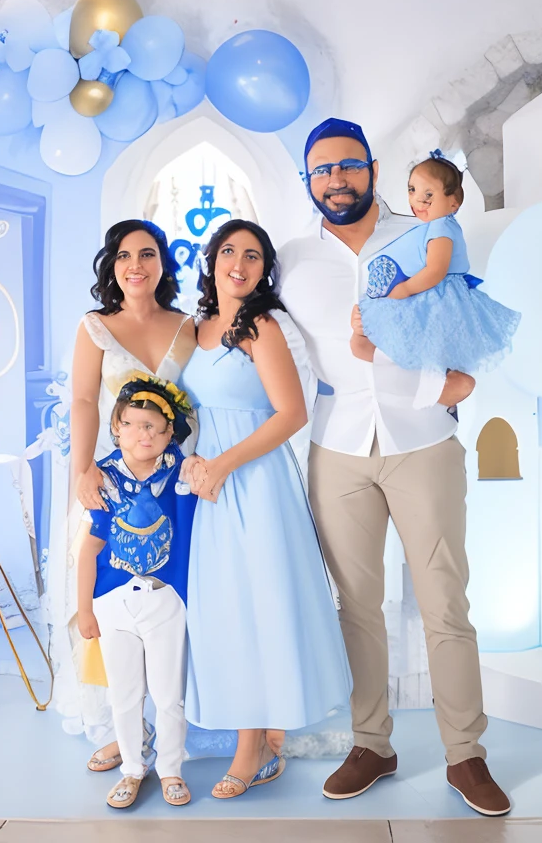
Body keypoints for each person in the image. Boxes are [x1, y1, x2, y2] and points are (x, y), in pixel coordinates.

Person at [280, 118, 512, 816]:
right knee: (357, 608)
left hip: (423, 442)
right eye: (321, 171)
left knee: (445, 602)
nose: (335, 180)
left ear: (372, 168)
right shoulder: (290, 262)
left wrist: (454, 387)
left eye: (347, 166)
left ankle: (466, 756)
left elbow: (463, 319)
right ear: (308, 182)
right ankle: (371, 743)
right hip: (338, 449)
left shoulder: (424, 234)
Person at [179, 219, 352, 800]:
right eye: (229, 251)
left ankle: (251, 749)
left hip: (254, 483)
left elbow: (290, 413)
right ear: (212, 260)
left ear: (264, 270)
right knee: (225, 611)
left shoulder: (261, 326)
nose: (239, 263)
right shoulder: (197, 330)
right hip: (208, 487)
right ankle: (262, 738)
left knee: (260, 605)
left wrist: (221, 465)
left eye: (253, 256)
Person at [62, 219, 198, 772]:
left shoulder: (190, 325)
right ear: (111, 264)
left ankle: (175, 727)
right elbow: (85, 402)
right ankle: (123, 727)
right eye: (123, 255)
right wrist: (83, 470)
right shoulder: (95, 327)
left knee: (170, 595)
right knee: (112, 595)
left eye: (147, 254)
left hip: (176, 481)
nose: (135, 265)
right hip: (112, 478)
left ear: (163, 262)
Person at [77, 376, 198, 809]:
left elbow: (193, 535)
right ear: (116, 427)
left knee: (168, 694)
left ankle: (170, 768)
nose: (141, 433)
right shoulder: (103, 479)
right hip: (113, 601)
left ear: (169, 434)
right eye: (131, 424)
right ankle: (132, 766)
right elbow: (89, 550)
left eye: (153, 426)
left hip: (165, 598)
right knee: (124, 694)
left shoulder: (181, 474)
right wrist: (85, 609)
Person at [355, 150, 520, 408]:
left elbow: (436, 270)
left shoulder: (440, 228)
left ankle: (436, 387)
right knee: (432, 345)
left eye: (428, 194)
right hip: (444, 293)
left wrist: (406, 288)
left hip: (439, 295)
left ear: (454, 202)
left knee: (428, 341)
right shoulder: (438, 226)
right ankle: (436, 384)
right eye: (412, 190)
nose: (418, 200)